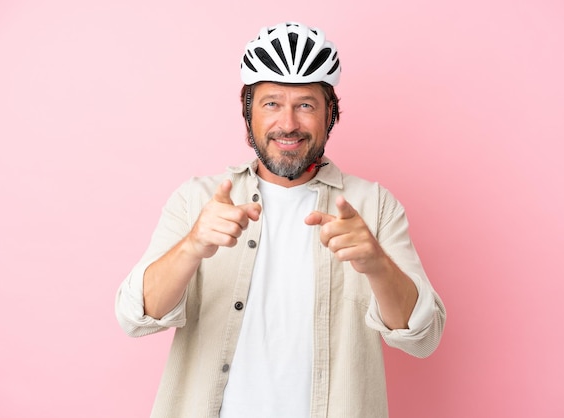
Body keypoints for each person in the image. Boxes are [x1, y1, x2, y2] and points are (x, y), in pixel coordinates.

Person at [116, 21, 446, 418]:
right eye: (271, 103)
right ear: (247, 113)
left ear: (330, 115)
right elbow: (135, 318)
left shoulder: (374, 206)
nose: (288, 123)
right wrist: (192, 247)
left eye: (305, 105)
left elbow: (422, 338)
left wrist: (377, 264)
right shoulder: (197, 199)